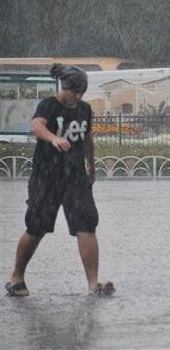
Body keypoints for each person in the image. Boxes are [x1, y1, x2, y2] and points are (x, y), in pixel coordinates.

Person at [4, 64, 114, 297]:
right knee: (36, 228)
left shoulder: (84, 109)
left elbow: (87, 139)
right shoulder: (49, 105)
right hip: (46, 177)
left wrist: (91, 166)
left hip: (75, 177)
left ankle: (93, 285)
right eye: (76, 92)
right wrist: (53, 139)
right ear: (66, 87)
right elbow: (36, 126)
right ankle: (16, 277)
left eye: (82, 93)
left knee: (87, 225)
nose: (78, 97)